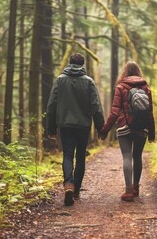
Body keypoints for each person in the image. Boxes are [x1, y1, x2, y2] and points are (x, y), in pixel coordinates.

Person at [46, 53, 105, 206]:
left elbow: (52, 105)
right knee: (80, 157)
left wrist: (50, 127)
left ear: (69, 63)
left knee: (67, 155)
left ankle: (68, 185)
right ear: (82, 64)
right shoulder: (89, 82)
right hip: (83, 126)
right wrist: (101, 127)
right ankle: (77, 190)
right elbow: (95, 107)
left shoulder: (60, 80)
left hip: (65, 125)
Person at [100, 61, 155, 202]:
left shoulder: (120, 87)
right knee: (137, 156)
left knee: (127, 157)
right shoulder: (146, 88)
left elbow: (114, 112)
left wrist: (105, 130)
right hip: (141, 127)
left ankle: (128, 190)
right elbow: (149, 113)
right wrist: (151, 133)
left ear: (124, 72)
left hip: (124, 126)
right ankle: (136, 188)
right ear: (138, 72)